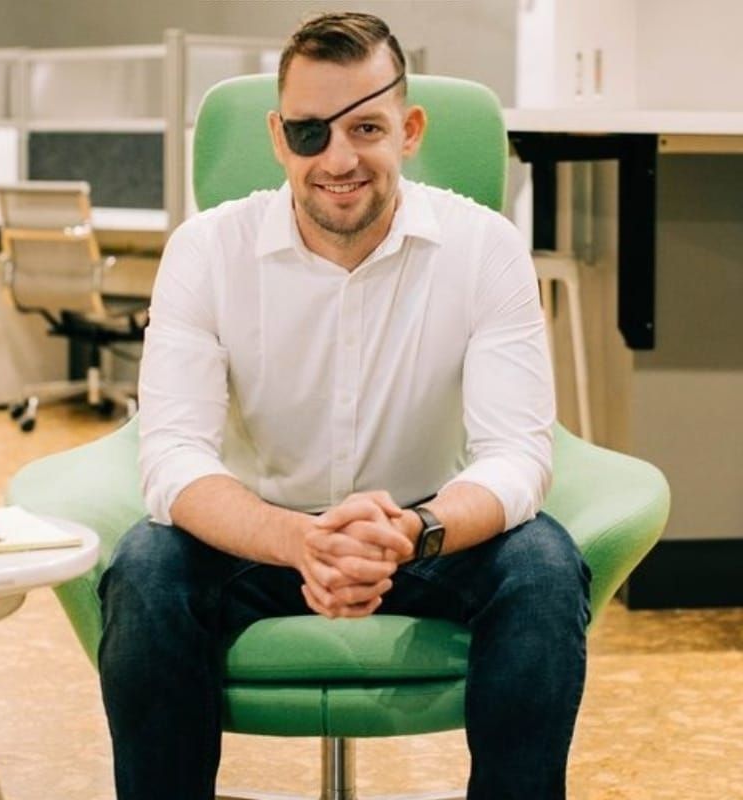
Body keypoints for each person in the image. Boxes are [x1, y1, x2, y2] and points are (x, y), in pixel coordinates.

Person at [98, 11, 591, 800]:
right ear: (275, 136)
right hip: (257, 536)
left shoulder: (485, 247)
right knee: (145, 568)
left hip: (427, 534)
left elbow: (516, 455)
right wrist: (299, 542)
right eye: (308, 132)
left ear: (410, 129)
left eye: (365, 126)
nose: (338, 158)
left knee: (543, 566)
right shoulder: (206, 251)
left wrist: (409, 532)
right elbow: (173, 457)